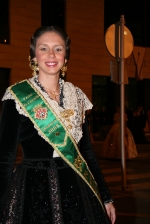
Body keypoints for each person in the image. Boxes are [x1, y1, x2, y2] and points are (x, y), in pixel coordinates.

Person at [0, 26, 116, 224]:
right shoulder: (17, 97)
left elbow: (87, 152)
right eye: (43, 48)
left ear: (66, 57)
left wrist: (105, 197)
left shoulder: (77, 96)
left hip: (76, 187)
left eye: (58, 49)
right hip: (32, 190)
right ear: (34, 56)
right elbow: (5, 157)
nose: (51, 54)